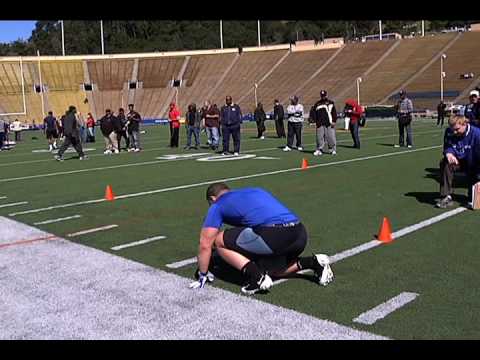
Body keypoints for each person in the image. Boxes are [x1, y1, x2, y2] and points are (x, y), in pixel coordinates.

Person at [188, 183, 334, 294]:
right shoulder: (254, 191)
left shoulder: (217, 205)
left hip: (274, 235)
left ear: (212, 199)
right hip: (299, 233)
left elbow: (205, 244)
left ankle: (256, 277)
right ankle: (313, 262)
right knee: (273, 271)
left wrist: (202, 274)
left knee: (218, 241)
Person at [436, 115, 480, 209]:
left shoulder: (477, 134)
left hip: (475, 162)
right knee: (445, 163)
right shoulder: (449, 132)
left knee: (473, 197)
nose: (454, 132)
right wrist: (448, 153)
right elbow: (447, 146)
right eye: (453, 130)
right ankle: (446, 196)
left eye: (457, 129)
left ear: (465, 124)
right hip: (458, 161)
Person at [310, 90, 338, 156]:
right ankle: (319, 149)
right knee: (319, 137)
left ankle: (332, 149)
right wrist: (313, 121)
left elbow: (334, 113)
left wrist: (334, 121)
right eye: (322, 96)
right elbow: (314, 113)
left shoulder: (331, 103)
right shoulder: (317, 104)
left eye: (324, 95)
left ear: (326, 95)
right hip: (320, 123)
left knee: (331, 137)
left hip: (329, 123)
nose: (323, 97)